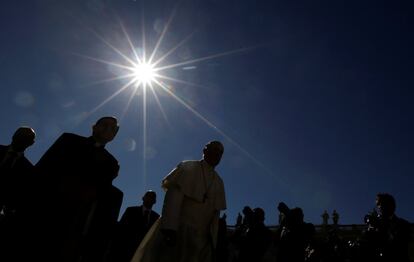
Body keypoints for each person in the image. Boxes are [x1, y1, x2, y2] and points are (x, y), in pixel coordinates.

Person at [35, 116, 122, 262]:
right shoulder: (69, 140)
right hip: (43, 213)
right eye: (105, 124)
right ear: (94, 127)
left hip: (74, 228)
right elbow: (43, 169)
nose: (109, 129)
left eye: (113, 128)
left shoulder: (112, 163)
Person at [131, 141, 226, 262]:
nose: (216, 154)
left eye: (220, 153)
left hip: (201, 239)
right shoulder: (188, 167)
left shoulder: (219, 181)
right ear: (205, 151)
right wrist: (170, 227)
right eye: (213, 150)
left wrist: (212, 240)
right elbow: (173, 197)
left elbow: (215, 213)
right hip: (178, 229)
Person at [0, 127, 36, 260]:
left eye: (26, 137)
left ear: (31, 143)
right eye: (19, 134)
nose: (21, 138)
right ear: (13, 135)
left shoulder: (29, 171)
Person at [359, 193, 411, 262]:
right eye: (377, 205)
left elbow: (397, 246)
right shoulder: (375, 223)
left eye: (380, 204)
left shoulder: (403, 224)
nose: (378, 207)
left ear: (389, 205)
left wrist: (379, 226)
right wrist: (369, 229)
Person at [111, 191, 160, 262]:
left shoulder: (156, 218)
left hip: (143, 254)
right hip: (125, 252)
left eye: (152, 197)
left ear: (155, 201)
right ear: (143, 198)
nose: (150, 198)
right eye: (148, 196)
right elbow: (120, 230)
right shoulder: (131, 211)